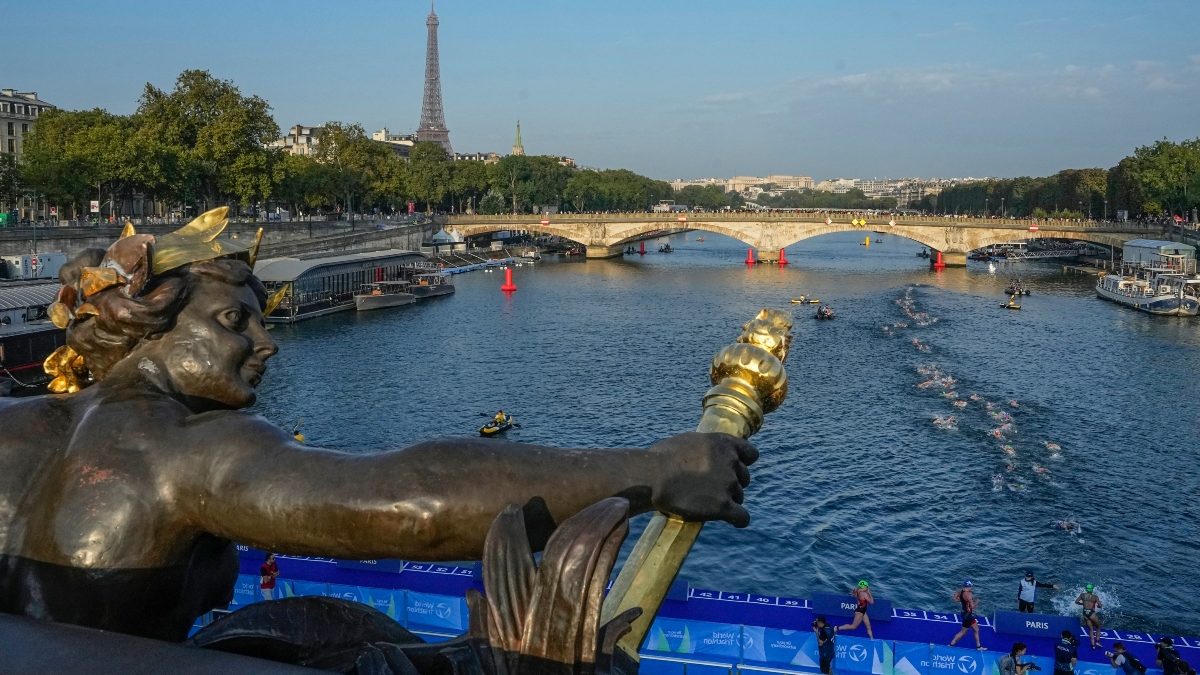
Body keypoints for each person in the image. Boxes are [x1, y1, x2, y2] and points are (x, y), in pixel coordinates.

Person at [0, 216, 757, 643]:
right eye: (235, 320)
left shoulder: (20, 425)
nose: (266, 343)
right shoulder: (182, 450)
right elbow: (412, 502)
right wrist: (657, 470)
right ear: (150, 326)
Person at [949, 580, 986, 650]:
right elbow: (972, 607)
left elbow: (954, 598)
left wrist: (961, 600)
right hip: (968, 616)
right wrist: (977, 602)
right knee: (963, 632)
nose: (972, 588)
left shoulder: (961, 591)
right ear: (969, 586)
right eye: (971, 586)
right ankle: (951, 644)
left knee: (976, 629)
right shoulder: (969, 595)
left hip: (964, 613)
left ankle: (978, 646)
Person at [1076, 583, 1103, 649]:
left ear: (1086, 589)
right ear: (1092, 590)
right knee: (1099, 626)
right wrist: (1099, 605)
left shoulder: (1082, 595)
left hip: (1085, 613)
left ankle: (1093, 645)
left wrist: (1082, 604)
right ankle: (1098, 641)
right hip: (1091, 613)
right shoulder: (1095, 597)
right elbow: (1100, 606)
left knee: (1091, 629)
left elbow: (1076, 601)